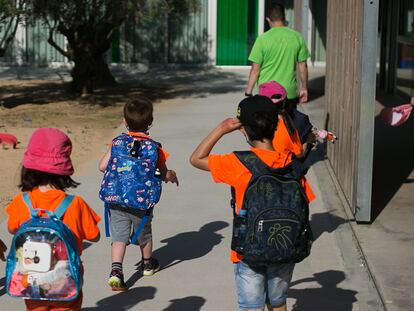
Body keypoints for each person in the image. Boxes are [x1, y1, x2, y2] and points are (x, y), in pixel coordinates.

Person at [190, 95, 315, 311]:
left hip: (248, 251)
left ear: (243, 130)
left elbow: (196, 159)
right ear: (276, 126)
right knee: (278, 303)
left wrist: (220, 129)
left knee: (251, 306)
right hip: (285, 248)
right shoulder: (292, 165)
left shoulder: (238, 163)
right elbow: (306, 200)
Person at [6, 127, 101, 311]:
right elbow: (94, 236)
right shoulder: (75, 204)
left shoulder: (21, 202)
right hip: (65, 278)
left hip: (31, 278)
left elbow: (11, 228)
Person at [99, 98, 179, 291]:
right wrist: (171, 176)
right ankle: (147, 264)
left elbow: (102, 167)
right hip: (141, 203)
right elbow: (162, 172)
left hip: (116, 200)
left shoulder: (116, 143)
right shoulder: (155, 148)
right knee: (144, 234)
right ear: (150, 122)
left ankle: (116, 271)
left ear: (125, 122)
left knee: (119, 237)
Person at [245, 2, 312, 142]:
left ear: (268, 20)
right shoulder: (296, 37)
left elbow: (255, 69)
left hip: (267, 95)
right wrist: (304, 88)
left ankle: (273, 159)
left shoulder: (263, 39)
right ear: (284, 18)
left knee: (268, 132)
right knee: (289, 128)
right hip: (289, 94)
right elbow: (303, 66)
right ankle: (288, 157)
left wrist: (249, 92)